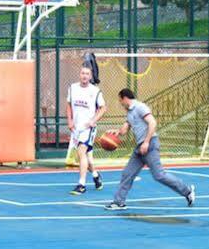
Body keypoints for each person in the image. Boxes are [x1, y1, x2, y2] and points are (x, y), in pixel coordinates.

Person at [105, 88, 195, 210]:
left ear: (125, 98)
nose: (120, 103)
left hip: (150, 145)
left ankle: (187, 191)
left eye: (120, 100)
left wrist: (146, 142)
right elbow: (124, 130)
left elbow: (152, 123)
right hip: (140, 148)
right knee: (127, 174)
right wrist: (115, 132)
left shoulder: (140, 107)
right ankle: (118, 202)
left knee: (159, 175)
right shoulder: (130, 112)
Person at [67, 65, 106, 195]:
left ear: (90, 76)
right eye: (82, 73)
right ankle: (95, 176)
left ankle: (81, 184)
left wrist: (93, 120)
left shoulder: (95, 91)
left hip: (88, 128)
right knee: (86, 157)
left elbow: (103, 108)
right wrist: (70, 120)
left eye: (87, 74)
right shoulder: (72, 88)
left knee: (81, 152)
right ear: (80, 75)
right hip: (76, 127)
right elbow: (68, 105)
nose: (84, 76)